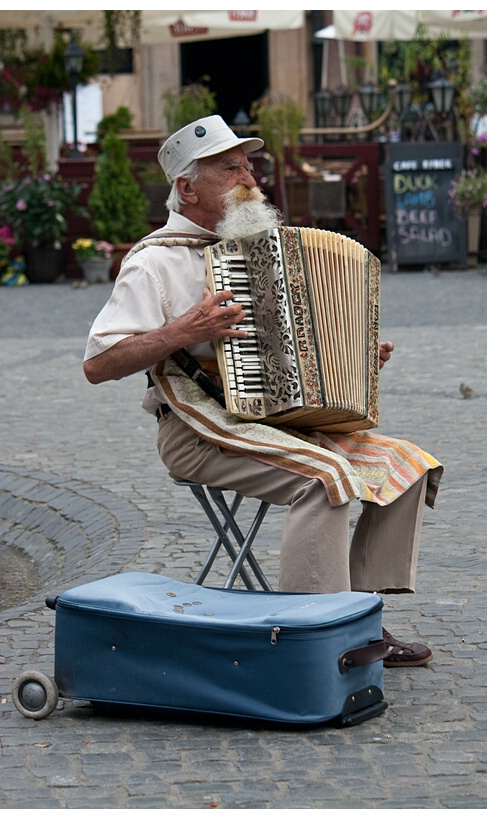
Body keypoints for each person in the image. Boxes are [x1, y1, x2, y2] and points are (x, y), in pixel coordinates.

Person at [83, 115, 443, 667]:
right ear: (186, 187)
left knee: (405, 465)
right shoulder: (152, 262)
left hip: (275, 422)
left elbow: (294, 353)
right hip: (197, 431)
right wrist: (186, 330)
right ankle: (310, 641)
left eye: (248, 163)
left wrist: (352, 357)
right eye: (229, 168)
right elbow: (98, 364)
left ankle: (359, 616)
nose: (248, 176)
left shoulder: (263, 250)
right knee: (324, 480)